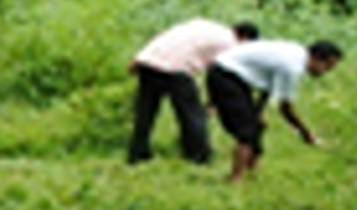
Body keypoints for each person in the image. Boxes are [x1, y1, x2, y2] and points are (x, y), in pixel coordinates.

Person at [205, 39, 344, 184]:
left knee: (257, 125)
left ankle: (252, 173)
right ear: (317, 59)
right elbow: (285, 108)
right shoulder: (292, 67)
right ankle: (236, 179)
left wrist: (259, 111)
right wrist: (306, 133)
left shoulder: (296, 53)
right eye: (327, 66)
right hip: (226, 74)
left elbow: (268, 86)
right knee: (246, 131)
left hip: (234, 75)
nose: (325, 72)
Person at [128, 18, 259, 165]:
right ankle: (198, 155)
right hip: (176, 69)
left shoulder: (202, 25)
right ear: (245, 39)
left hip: (149, 64)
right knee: (192, 115)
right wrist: (214, 102)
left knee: (145, 113)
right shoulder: (231, 45)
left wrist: (140, 57)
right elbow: (219, 76)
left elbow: (166, 37)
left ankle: (137, 152)